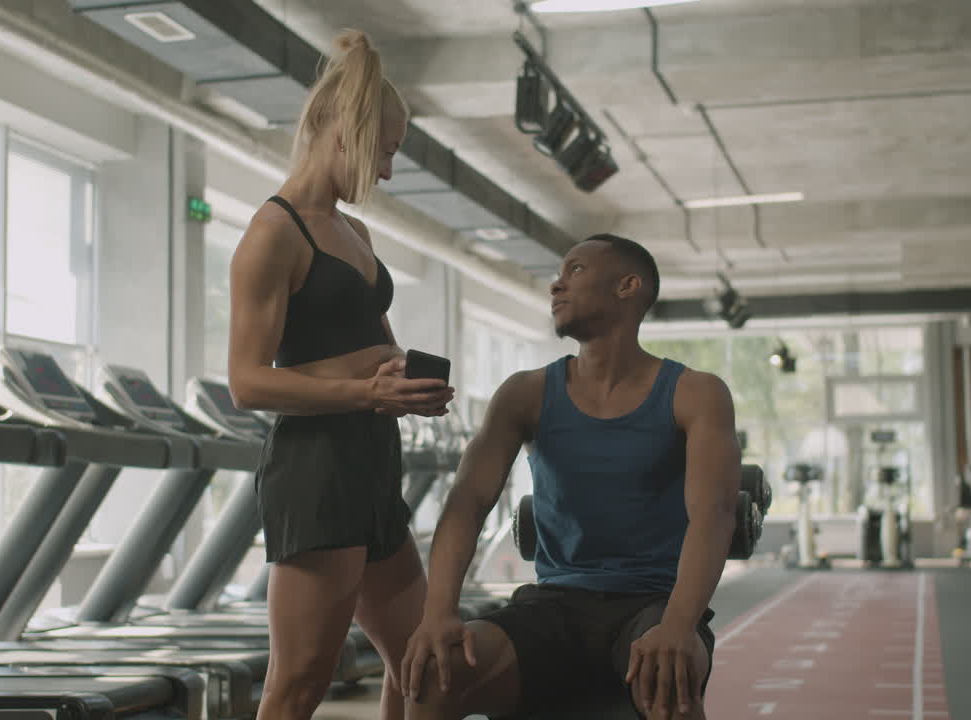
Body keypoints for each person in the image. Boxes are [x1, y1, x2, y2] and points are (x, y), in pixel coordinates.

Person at [400, 234, 741, 720]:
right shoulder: (525, 393)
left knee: (670, 677)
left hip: (655, 603)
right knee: (436, 674)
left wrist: (679, 625)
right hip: (554, 605)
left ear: (628, 286)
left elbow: (714, 515)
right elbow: (467, 502)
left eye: (575, 270)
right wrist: (438, 612)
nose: (556, 285)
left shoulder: (696, 393)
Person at [226, 29, 453, 720]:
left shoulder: (357, 234)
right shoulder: (274, 232)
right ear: (343, 132)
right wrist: (365, 390)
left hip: (373, 464)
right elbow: (246, 383)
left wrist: (406, 385)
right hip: (316, 472)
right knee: (297, 685)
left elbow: (378, 350)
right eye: (384, 151)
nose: (387, 172)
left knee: (422, 668)